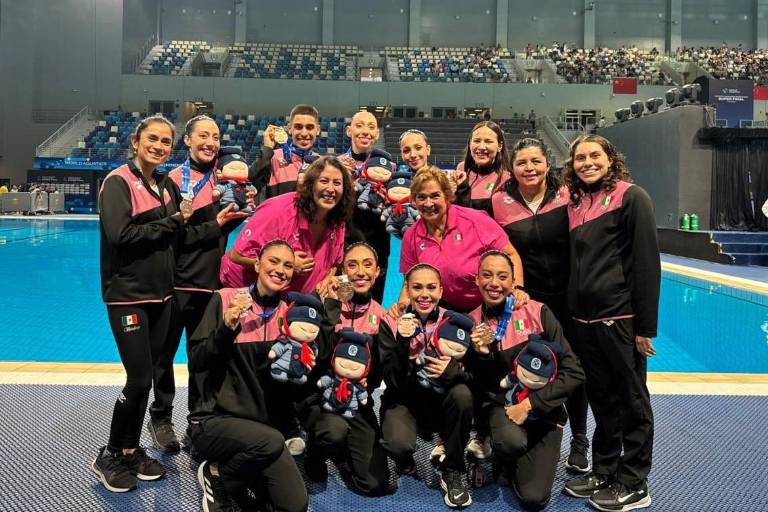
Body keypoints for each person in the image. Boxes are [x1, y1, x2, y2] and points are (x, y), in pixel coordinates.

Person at [92, 115, 192, 492]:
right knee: (138, 381)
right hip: (128, 297)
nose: (159, 146)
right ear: (136, 140)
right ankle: (110, 453)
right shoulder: (118, 181)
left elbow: (184, 226)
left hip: (161, 297)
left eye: (166, 141)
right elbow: (120, 235)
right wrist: (171, 223)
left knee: (148, 379)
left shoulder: (165, 184)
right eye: (153, 139)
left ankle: (132, 450)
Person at [561, 135, 660, 511]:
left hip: (619, 319)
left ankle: (634, 481)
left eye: (594, 156)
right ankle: (603, 469)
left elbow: (648, 264)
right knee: (602, 399)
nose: (587, 162)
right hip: (584, 321)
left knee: (632, 401)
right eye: (579, 157)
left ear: (610, 159)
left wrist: (644, 327)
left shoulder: (631, 197)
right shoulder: (577, 204)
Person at [491, 138, 591, 473]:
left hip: (570, 298)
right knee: (525, 368)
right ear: (512, 168)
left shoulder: (568, 196)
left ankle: (580, 439)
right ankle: (522, 429)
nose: (529, 168)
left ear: (548, 165)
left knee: (572, 367)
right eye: (522, 163)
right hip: (529, 303)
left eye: (536, 161)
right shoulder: (500, 201)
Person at [188, 240, 309, 512]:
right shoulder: (225, 299)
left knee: (295, 505)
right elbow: (197, 361)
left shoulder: (292, 315)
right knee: (271, 441)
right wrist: (226, 328)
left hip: (264, 433)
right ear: (257, 265)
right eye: (273, 261)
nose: (280, 270)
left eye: (288, 265)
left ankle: (237, 472)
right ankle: (216, 474)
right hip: (215, 420)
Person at [467, 251, 585, 511]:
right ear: (477, 280)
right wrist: (483, 356)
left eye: (502, 276)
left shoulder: (537, 312)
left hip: (544, 414)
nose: (494, 283)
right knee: (510, 442)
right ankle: (504, 455)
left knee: (534, 499)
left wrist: (530, 405)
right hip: (503, 410)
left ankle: (513, 461)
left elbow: (574, 371)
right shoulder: (473, 323)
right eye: (486, 275)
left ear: (513, 281)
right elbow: (480, 387)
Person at [159, 115, 249, 452]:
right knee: (164, 356)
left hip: (211, 285)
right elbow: (173, 236)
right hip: (175, 283)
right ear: (187, 140)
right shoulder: (171, 180)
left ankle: (198, 422)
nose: (210, 142)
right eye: (203, 135)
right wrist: (215, 225)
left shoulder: (227, 178)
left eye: (215, 136)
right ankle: (161, 418)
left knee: (204, 357)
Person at [379, 264, 475, 509]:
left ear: (441, 291)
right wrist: (402, 342)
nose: (424, 294)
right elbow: (392, 381)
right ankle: (406, 460)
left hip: (441, 402)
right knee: (398, 445)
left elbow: (476, 376)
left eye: (431, 288)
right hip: (405, 401)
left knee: (463, 395)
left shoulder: (456, 322)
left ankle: (453, 470)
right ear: (407, 291)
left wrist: (452, 371)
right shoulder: (391, 321)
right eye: (417, 287)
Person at [302, 242, 390, 496]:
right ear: (342, 271)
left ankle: (343, 450)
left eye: (367, 265)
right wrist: (331, 308)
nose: (360, 272)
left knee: (374, 485)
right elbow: (313, 358)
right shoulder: (322, 304)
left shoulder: (382, 317)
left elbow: (378, 376)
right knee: (332, 432)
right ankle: (315, 452)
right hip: (321, 397)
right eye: (352, 265)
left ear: (377, 272)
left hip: (357, 403)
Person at [394, 166, 526, 314]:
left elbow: (511, 254)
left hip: (486, 305)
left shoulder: (476, 220)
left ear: (447, 196)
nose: (428, 203)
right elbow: (409, 278)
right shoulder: (411, 235)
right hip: (442, 308)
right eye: (421, 197)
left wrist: (517, 289)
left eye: (435, 196)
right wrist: (403, 302)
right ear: (414, 200)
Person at [219, 156, 355, 294]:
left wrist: (327, 279)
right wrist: (286, 263)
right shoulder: (278, 210)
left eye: (337, 183)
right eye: (324, 181)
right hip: (244, 290)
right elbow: (237, 256)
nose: (331, 189)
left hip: (292, 301)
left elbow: (333, 264)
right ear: (311, 184)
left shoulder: (338, 220)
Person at [338, 111, 391, 303]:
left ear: (377, 134)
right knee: (341, 301)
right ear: (348, 130)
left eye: (371, 127)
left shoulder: (389, 168)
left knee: (374, 303)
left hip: (378, 245)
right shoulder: (336, 165)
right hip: (344, 243)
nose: (365, 131)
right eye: (359, 125)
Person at [250, 104, 321, 201]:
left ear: (317, 130)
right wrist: (267, 149)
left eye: (309, 127)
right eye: (298, 127)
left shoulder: (323, 163)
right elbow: (251, 185)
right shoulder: (272, 158)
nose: (304, 133)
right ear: (290, 128)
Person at [453, 121, 512, 216]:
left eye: (488, 141)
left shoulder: (507, 177)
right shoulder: (461, 169)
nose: (481, 147)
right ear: (469, 144)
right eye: (476, 141)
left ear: (500, 146)